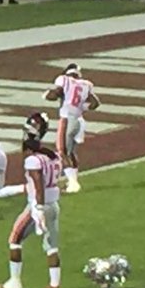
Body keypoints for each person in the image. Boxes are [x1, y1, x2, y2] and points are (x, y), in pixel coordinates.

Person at [0, 135, 63, 288]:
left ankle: (15, 281)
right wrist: (16, 189)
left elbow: (38, 184)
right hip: (54, 205)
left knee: (14, 239)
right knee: (51, 245)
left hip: (37, 206)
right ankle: (54, 286)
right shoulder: (53, 157)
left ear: (28, 150)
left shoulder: (33, 160)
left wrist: (38, 208)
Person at [43, 63, 100, 194]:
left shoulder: (64, 80)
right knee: (72, 152)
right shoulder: (85, 84)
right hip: (79, 120)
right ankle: (72, 181)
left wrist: (47, 94)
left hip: (67, 119)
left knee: (61, 152)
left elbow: (56, 94)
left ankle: (74, 184)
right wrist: (82, 108)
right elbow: (96, 103)